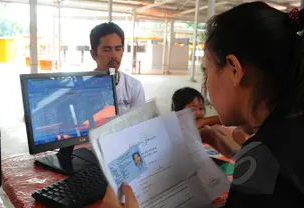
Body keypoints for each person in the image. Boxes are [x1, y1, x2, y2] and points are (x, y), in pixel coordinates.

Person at [102, 2, 304, 207]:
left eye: (206, 72)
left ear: (234, 69)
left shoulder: (264, 163)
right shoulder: (287, 134)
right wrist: (240, 154)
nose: (205, 84)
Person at [90, 22, 146, 115]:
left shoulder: (134, 87)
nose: (114, 56)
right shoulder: (82, 88)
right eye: (107, 50)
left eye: (118, 49)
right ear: (93, 54)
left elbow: (139, 124)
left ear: (122, 52)